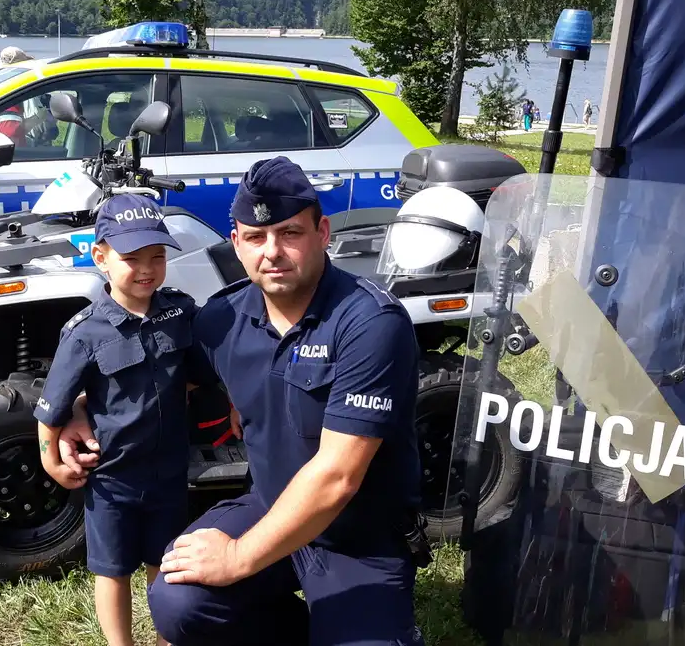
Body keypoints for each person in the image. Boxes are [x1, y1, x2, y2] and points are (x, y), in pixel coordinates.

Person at [60, 156, 428, 645]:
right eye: (256, 237)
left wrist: (237, 558)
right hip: (269, 504)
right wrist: (78, 410)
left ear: (322, 233)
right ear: (236, 243)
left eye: (290, 233)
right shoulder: (221, 319)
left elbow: (337, 477)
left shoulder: (369, 323)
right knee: (178, 596)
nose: (272, 252)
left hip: (357, 537)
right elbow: (153, 378)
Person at [34, 193, 203, 646]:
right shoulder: (85, 331)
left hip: (169, 472)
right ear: (101, 257)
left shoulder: (180, 313)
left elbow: (202, 375)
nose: (146, 269)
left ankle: (167, 635)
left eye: (157, 256)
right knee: (112, 568)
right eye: (131, 258)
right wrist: (51, 459)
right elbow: (52, 407)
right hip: (112, 478)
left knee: (165, 562)